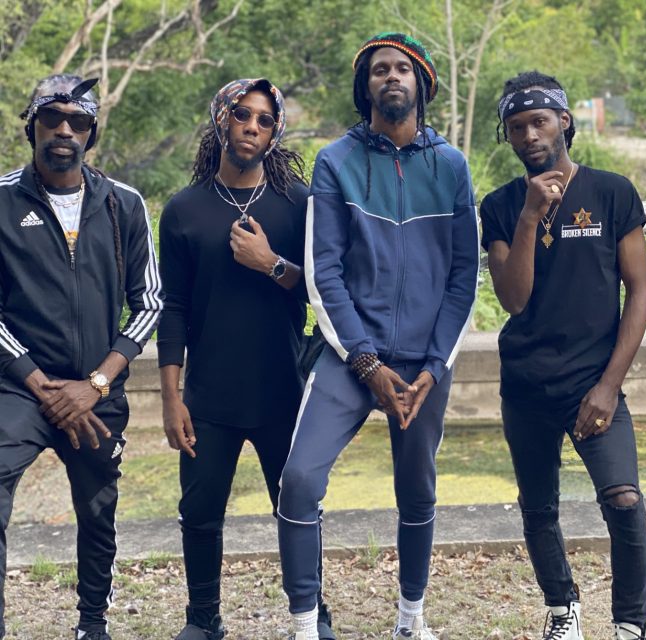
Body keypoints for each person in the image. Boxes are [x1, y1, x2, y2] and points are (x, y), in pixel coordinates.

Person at [276, 32, 479, 640]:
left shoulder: (451, 165)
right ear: (365, 87)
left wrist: (434, 366)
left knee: (417, 491)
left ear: (422, 84)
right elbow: (324, 270)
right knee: (299, 480)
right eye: (379, 70)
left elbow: (464, 275)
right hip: (347, 358)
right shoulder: (335, 161)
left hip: (422, 365)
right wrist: (364, 360)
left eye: (402, 69)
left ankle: (411, 618)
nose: (391, 76)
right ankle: (305, 624)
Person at [157, 78, 335, 640]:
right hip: (209, 397)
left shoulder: (298, 204)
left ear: (274, 131)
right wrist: (171, 398)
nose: (252, 126)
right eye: (242, 114)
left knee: (297, 508)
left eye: (264, 119)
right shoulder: (183, 210)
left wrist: (271, 263)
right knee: (200, 513)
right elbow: (174, 308)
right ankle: (202, 620)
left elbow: (325, 291)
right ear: (221, 119)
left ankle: (313, 615)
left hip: (282, 390)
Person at [480, 71, 646, 640]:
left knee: (623, 499)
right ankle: (563, 611)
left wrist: (609, 386)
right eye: (517, 127)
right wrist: (530, 214)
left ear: (564, 122)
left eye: (539, 121)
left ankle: (630, 624)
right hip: (527, 385)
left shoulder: (612, 192)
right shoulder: (501, 206)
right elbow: (514, 298)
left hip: (593, 380)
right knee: (538, 508)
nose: (529, 135)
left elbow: (640, 292)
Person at [0, 74, 162, 639]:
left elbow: (150, 302)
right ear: (33, 128)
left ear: (91, 134)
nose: (64, 131)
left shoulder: (123, 204)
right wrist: (38, 381)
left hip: (97, 390)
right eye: (52, 119)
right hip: (20, 387)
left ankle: (92, 623)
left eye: (79, 122)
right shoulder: (2, 200)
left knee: (98, 511)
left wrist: (96, 382)